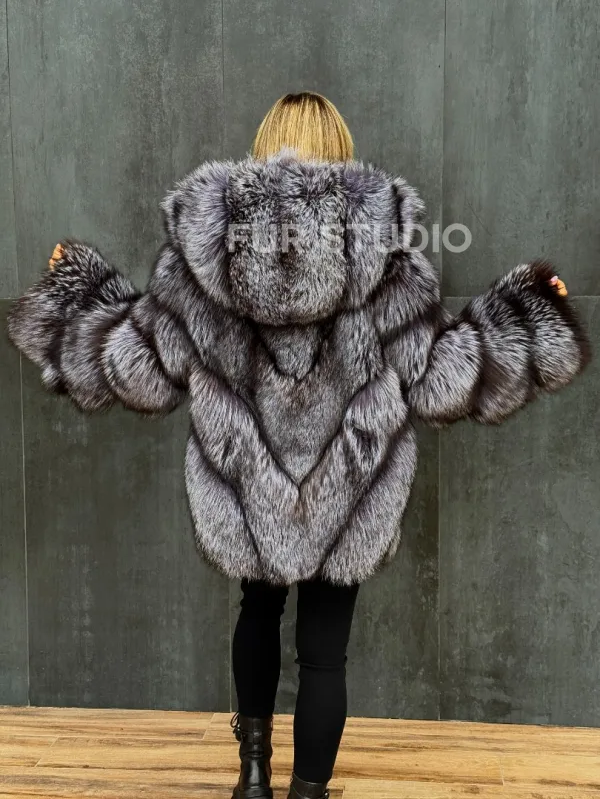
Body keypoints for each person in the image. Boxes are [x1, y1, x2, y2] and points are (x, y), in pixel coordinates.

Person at [8, 91, 589, 799]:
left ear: (263, 149)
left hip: (246, 493)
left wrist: (74, 291)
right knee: (324, 655)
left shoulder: (202, 261)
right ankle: (308, 793)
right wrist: (529, 313)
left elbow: (139, 366)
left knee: (257, 611)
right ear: (341, 151)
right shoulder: (390, 263)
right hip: (349, 496)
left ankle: (252, 778)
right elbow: (443, 377)